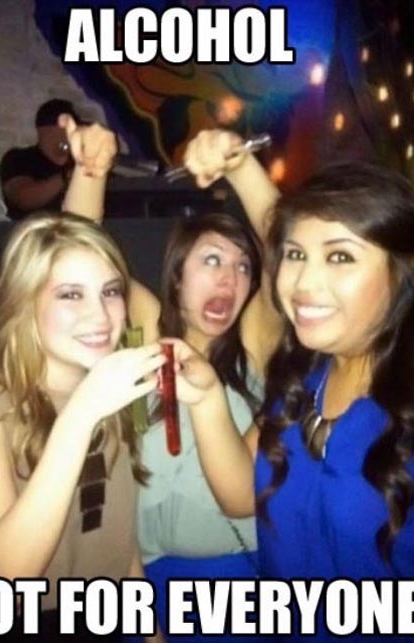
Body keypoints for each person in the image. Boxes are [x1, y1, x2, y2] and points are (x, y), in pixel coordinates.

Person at [180, 161, 414, 641]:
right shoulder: (302, 382)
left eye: (340, 257)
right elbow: (240, 497)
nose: (302, 284)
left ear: (411, 272)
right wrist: (208, 398)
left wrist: (241, 166)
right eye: (295, 254)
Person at [63, 122, 282, 641]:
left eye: (242, 267)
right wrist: (91, 171)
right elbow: (78, 258)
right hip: (138, 580)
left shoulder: (254, 340)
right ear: (178, 277)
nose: (230, 278)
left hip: (234, 584)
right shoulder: (143, 332)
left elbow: (288, 246)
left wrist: (240, 168)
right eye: (212, 260)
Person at [0, 212, 166, 642]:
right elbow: (8, 576)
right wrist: (81, 415)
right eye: (70, 294)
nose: (100, 315)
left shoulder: (111, 394)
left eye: (110, 291)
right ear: (25, 302)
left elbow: (117, 540)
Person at [0, 99, 116, 221]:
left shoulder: (80, 159)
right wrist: (66, 177)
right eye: (66, 128)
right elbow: (23, 198)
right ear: (46, 130)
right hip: (36, 231)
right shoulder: (20, 159)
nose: (70, 134)